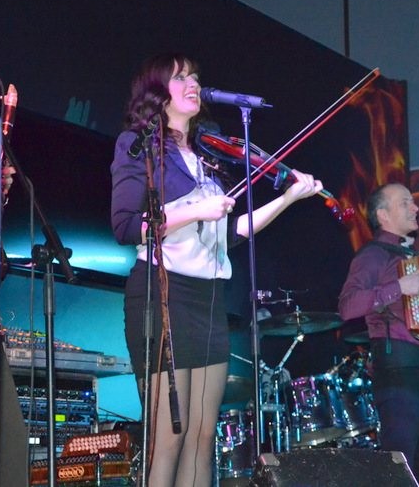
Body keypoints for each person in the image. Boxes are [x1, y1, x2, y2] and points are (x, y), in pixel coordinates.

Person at [110, 53, 322, 487]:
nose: (193, 83)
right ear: (156, 91)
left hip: (208, 299)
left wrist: (287, 199)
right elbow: (127, 226)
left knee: (202, 438)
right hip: (162, 293)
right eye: (180, 77)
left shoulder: (207, 155)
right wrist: (195, 210)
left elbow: (230, 232)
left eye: (195, 77)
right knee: (169, 437)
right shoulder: (139, 145)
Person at [338, 182, 419, 485]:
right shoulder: (374, 255)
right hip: (399, 375)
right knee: (398, 472)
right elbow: (347, 306)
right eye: (405, 203)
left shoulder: (414, 256)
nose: (416, 208)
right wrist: (398, 287)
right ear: (383, 215)